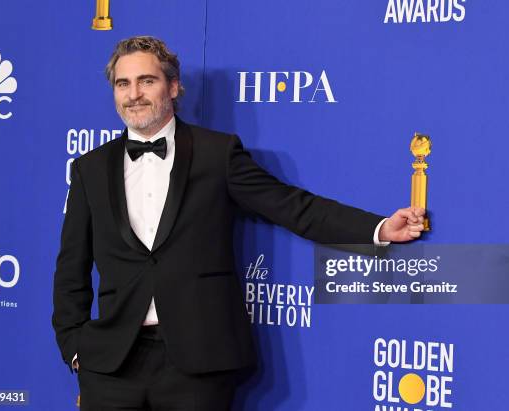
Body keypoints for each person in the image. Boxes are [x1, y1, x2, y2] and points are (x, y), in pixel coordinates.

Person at [52, 35, 425, 411]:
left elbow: (294, 207)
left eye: (147, 81)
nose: (134, 94)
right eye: (123, 83)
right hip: (111, 366)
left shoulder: (217, 154)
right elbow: (71, 268)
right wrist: (74, 348)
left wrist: (376, 228)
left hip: (199, 365)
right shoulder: (90, 169)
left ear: (174, 86)